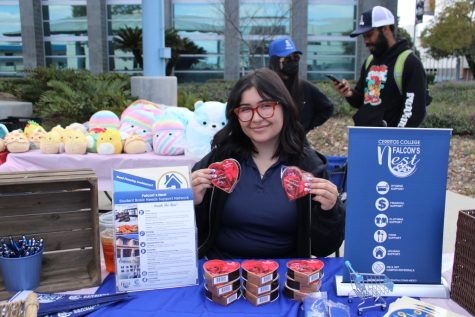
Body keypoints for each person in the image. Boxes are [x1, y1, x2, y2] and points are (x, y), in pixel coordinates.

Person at [191, 68, 345, 260]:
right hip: (221, 274)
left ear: (284, 107)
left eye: (265, 106)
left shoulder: (309, 167)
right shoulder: (220, 160)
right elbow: (191, 236)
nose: (256, 118)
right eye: (245, 109)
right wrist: (193, 204)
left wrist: (329, 211)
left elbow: (323, 248)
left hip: (284, 276)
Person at [333, 6, 427, 127]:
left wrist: (396, 139)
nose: (366, 41)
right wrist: (349, 93)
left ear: (385, 29)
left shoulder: (409, 63)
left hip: (388, 142)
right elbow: (362, 101)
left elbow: (414, 111)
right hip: (365, 137)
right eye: (364, 36)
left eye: (369, 34)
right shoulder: (370, 61)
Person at [268, 37, 334, 133]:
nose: (293, 62)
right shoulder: (263, 87)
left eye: (296, 57)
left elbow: (327, 108)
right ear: (275, 62)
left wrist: (305, 127)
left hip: (297, 144)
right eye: (287, 59)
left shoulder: (304, 87)